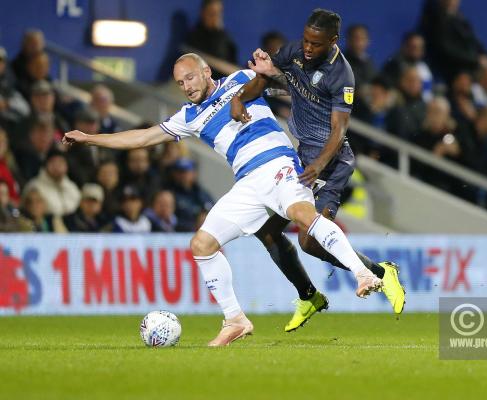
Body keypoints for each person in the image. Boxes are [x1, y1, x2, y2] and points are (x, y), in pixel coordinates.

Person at [63, 53, 384, 346]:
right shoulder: (188, 116)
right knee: (202, 245)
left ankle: (363, 274)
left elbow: (292, 86)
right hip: (248, 184)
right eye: (179, 83)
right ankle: (235, 319)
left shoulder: (242, 80)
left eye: (190, 78)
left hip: (277, 163)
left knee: (303, 215)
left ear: (206, 72)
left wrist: (283, 78)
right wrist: (91, 138)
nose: (186, 87)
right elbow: (143, 136)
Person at [230, 9, 406, 329]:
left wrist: (320, 163)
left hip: (331, 160)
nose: (308, 48)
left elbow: (339, 130)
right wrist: (241, 98)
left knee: (310, 242)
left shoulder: (342, 75)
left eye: (316, 43)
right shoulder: (294, 51)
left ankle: (381, 273)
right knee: (267, 231)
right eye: (306, 39)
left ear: (333, 41)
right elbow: (265, 78)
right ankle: (309, 295)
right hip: (303, 156)